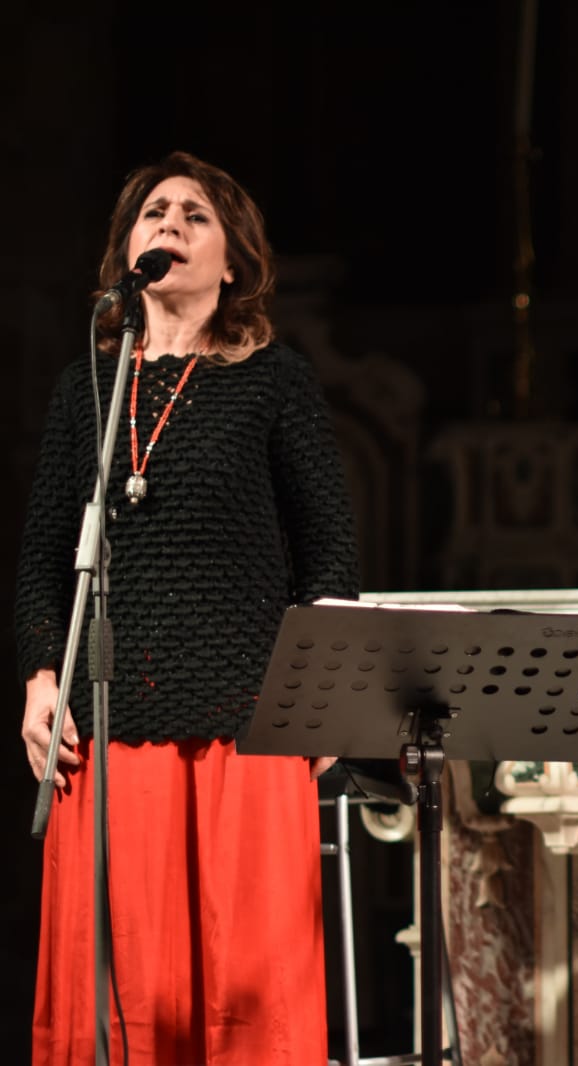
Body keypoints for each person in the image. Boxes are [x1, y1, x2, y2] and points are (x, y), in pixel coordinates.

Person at [15, 151, 359, 1065]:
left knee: (248, 990)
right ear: (127, 249)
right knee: (125, 995)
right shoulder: (87, 388)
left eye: (195, 214)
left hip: (244, 727)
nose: (169, 223)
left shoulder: (272, 381)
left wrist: (322, 685)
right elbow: (45, 557)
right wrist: (41, 676)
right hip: (111, 724)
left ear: (234, 260)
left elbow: (327, 547)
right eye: (153, 211)